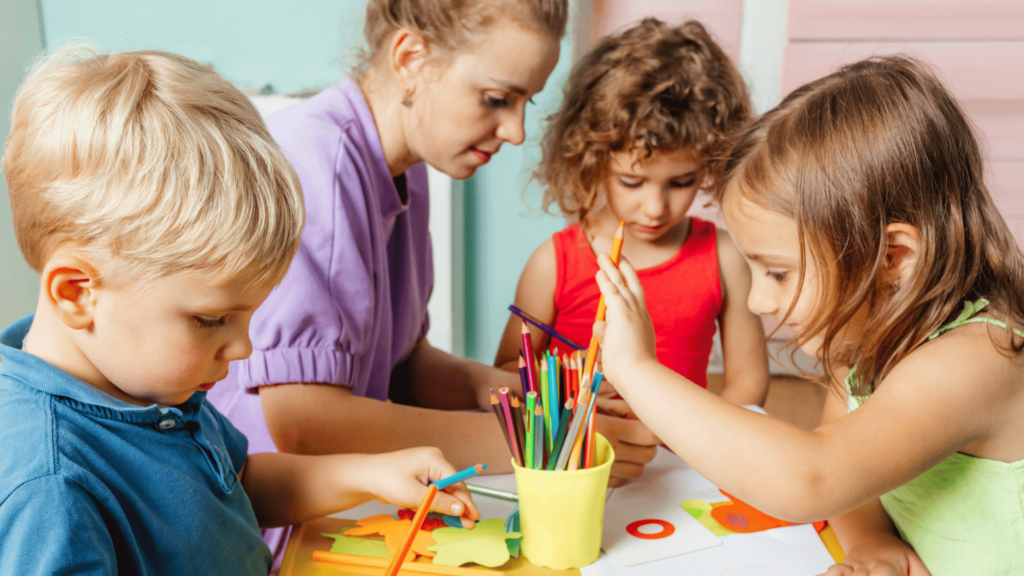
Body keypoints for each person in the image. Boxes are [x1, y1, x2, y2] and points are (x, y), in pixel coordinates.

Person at [0, 47, 478, 575]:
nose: (244, 348)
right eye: (211, 320)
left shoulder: (140, 383)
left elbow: (238, 481)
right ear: (76, 294)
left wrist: (368, 474)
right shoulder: (50, 488)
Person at [592, 57, 1024, 576]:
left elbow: (813, 478)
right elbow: (847, 479)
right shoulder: (868, 340)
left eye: (777, 273)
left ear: (893, 258)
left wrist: (635, 368)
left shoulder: (978, 360)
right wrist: (868, 540)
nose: (757, 302)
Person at [210, 0, 657, 501]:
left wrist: (509, 393)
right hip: (265, 513)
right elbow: (306, 422)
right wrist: (546, 441)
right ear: (410, 59)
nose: (516, 132)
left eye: (524, 102)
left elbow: (398, 364)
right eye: (495, 99)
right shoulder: (318, 163)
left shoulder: (409, 166)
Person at [494, 19, 769, 427]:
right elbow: (504, 374)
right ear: (594, 157)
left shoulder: (724, 256)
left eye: (681, 182)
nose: (655, 208)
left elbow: (748, 382)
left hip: (681, 456)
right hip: (582, 453)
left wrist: (697, 440)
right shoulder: (554, 263)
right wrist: (566, 381)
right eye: (631, 181)